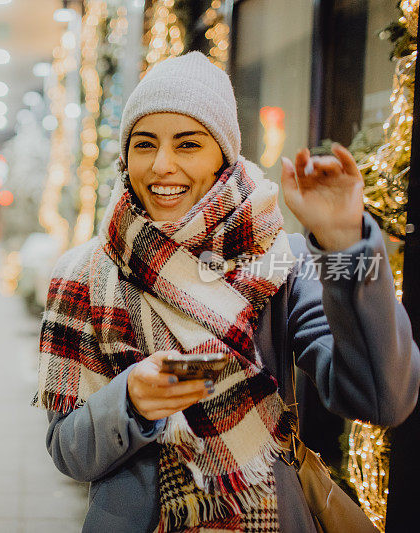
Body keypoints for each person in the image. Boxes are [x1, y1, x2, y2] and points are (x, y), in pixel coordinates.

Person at [32, 51, 420, 532]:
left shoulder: (277, 260)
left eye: (188, 144)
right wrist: (130, 401)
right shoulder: (85, 273)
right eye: (144, 144)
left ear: (223, 155)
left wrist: (346, 244)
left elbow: (380, 399)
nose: (161, 166)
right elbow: (69, 452)